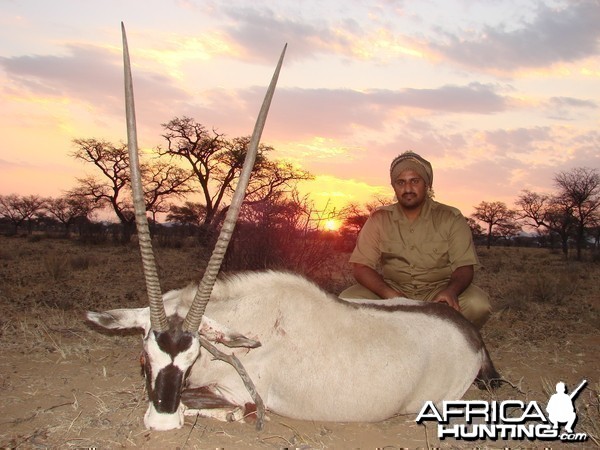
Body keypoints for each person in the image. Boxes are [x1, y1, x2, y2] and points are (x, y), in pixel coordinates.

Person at [339, 151, 491, 329]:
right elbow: (361, 267)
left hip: (438, 291)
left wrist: (450, 291)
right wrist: (390, 295)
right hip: (391, 291)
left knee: (478, 305)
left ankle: (449, 342)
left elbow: (464, 267)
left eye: (415, 181)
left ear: (427, 184)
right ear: (394, 187)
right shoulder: (379, 219)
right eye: (401, 182)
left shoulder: (451, 217)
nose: (408, 189)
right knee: (347, 302)